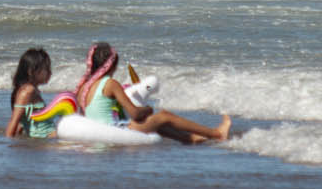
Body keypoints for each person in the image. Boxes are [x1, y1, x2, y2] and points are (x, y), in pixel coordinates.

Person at [74, 42, 232, 144]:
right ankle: (217, 133)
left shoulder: (83, 87)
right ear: (112, 65)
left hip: (100, 131)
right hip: (113, 130)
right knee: (164, 116)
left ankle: (190, 138)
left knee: (157, 124)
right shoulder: (110, 84)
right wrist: (148, 109)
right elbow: (135, 114)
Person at [5, 48, 57, 137]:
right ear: (31, 71)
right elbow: (13, 122)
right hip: (45, 144)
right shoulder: (27, 91)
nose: (50, 73)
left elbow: (21, 123)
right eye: (46, 69)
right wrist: (9, 146)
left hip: (46, 143)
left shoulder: (33, 90)